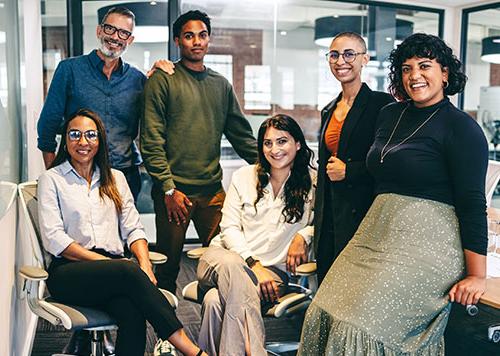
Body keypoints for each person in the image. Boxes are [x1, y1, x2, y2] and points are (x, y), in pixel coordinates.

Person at [299, 33, 488, 355]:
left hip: (429, 244)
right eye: (406, 68)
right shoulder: (389, 114)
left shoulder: (461, 128)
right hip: (375, 235)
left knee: (357, 325)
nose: (415, 75)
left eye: (425, 66)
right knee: (322, 309)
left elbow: (472, 204)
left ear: (445, 73)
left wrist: (476, 276)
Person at [38, 109, 207, 356]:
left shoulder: (115, 178)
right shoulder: (52, 179)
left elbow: (133, 227)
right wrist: (110, 264)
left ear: (100, 140)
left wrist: (146, 266)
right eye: (75, 134)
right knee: (126, 268)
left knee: (132, 310)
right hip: (69, 272)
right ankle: (192, 351)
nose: (83, 142)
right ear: (65, 139)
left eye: (90, 135)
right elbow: (55, 239)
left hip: (115, 273)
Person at [141, 10, 258, 293]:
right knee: (168, 267)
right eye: (189, 36)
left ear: (209, 40)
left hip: (212, 191)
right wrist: (168, 189)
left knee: (224, 260)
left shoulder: (221, 85)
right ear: (178, 41)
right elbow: (151, 139)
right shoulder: (163, 80)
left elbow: (242, 137)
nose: (197, 41)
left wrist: (274, 165)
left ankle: (215, 327)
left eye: (202, 35)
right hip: (174, 193)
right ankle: (165, 335)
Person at [196, 114, 315, 356]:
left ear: (298, 144)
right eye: (268, 143)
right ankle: (253, 351)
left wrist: (305, 235)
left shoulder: (313, 182)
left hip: (273, 273)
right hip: (222, 258)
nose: (275, 149)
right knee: (234, 267)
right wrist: (253, 264)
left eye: (282, 141)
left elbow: (326, 222)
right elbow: (228, 228)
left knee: (213, 302)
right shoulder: (244, 176)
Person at [36, 6, 172, 202]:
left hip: (126, 176)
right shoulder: (69, 70)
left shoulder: (138, 80)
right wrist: (54, 177)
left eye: (124, 33)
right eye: (110, 29)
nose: (115, 37)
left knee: (123, 231)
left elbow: (156, 124)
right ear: (99, 31)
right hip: (78, 175)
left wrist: (159, 74)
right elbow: (46, 127)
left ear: (130, 40)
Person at [314, 32, 393, 284]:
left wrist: (350, 170)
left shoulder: (383, 105)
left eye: (349, 54)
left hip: (363, 212)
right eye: (334, 55)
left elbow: (391, 161)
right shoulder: (329, 109)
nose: (341, 61)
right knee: (328, 284)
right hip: (330, 214)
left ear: (364, 59)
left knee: (354, 288)